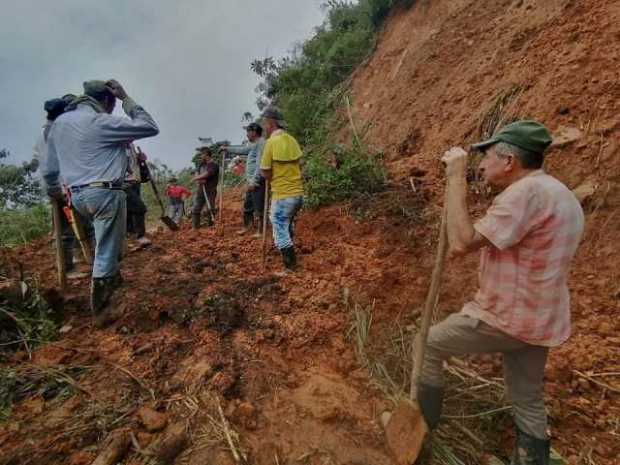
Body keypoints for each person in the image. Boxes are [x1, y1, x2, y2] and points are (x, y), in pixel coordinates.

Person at [416, 121, 584, 464]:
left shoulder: (524, 194)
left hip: (507, 316)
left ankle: (419, 432)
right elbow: (494, 239)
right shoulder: (560, 194)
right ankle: (531, 457)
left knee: (428, 343)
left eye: (488, 157)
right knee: (528, 398)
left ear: (509, 161)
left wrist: (454, 177)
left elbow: (462, 240)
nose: (482, 164)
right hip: (542, 321)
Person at [42, 79, 159, 326]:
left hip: (76, 196)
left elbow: (50, 167)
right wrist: (126, 98)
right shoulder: (101, 121)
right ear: (107, 100)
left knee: (103, 244)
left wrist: (55, 189)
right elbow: (149, 126)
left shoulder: (59, 123)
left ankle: (113, 284)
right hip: (105, 193)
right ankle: (102, 308)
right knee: (108, 249)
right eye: (114, 103)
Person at [34, 95, 91, 280]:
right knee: (65, 228)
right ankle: (67, 268)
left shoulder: (48, 130)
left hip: (59, 184)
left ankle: (80, 258)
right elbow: (52, 164)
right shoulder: (51, 132)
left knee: (76, 222)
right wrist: (59, 187)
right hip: (58, 185)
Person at [259, 107, 304, 272]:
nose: (264, 127)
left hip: (283, 195)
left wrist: (273, 179)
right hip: (298, 194)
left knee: (278, 226)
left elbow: (264, 170)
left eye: (265, 123)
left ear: (271, 123)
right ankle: (289, 254)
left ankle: (290, 266)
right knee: (287, 224)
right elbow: (300, 164)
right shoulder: (292, 140)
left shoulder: (271, 143)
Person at [221, 122, 266, 236]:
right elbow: (242, 150)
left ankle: (261, 230)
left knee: (259, 206)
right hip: (251, 181)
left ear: (254, 132)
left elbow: (260, 164)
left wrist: (254, 180)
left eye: (248, 132)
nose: (247, 135)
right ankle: (248, 227)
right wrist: (227, 149)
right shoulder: (253, 144)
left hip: (257, 181)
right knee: (248, 205)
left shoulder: (261, 143)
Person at [124, 146, 151, 247]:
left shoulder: (131, 146)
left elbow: (134, 163)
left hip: (136, 181)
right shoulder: (118, 144)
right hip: (124, 182)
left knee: (130, 211)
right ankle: (140, 236)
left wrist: (140, 158)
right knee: (139, 207)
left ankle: (131, 235)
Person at [191, 147, 219, 229]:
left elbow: (208, 173)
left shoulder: (214, 165)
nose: (200, 156)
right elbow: (197, 172)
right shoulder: (201, 164)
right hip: (201, 189)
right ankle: (195, 227)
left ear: (206, 155)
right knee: (196, 207)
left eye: (201, 154)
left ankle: (211, 225)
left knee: (210, 208)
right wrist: (198, 179)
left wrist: (197, 178)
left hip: (210, 189)